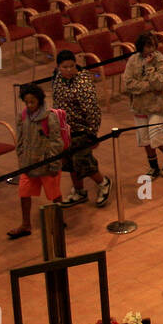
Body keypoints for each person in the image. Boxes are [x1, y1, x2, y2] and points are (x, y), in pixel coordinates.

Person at [51, 50, 111, 208]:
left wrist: (92, 133)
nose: (69, 70)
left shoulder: (83, 83)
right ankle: (79, 191)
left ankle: (103, 183)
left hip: (82, 130)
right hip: (64, 130)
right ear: (58, 67)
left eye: (72, 66)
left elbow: (92, 111)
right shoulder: (57, 78)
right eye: (65, 67)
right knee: (70, 163)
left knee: (83, 162)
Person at [8, 83, 64, 240]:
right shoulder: (23, 116)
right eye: (26, 102)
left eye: (32, 102)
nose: (29, 105)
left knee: (54, 194)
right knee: (24, 193)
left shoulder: (49, 117)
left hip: (47, 165)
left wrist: (54, 164)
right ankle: (25, 224)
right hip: (28, 165)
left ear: (39, 100)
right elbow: (20, 139)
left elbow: (56, 142)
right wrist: (21, 159)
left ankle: (58, 221)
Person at [122, 32, 163, 179]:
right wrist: (148, 86)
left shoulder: (160, 61)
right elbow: (128, 84)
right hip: (139, 106)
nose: (151, 49)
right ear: (141, 47)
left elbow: (159, 84)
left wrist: (149, 68)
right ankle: (153, 166)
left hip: (156, 106)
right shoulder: (133, 60)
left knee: (156, 137)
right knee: (144, 139)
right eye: (148, 46)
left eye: (153, 46)